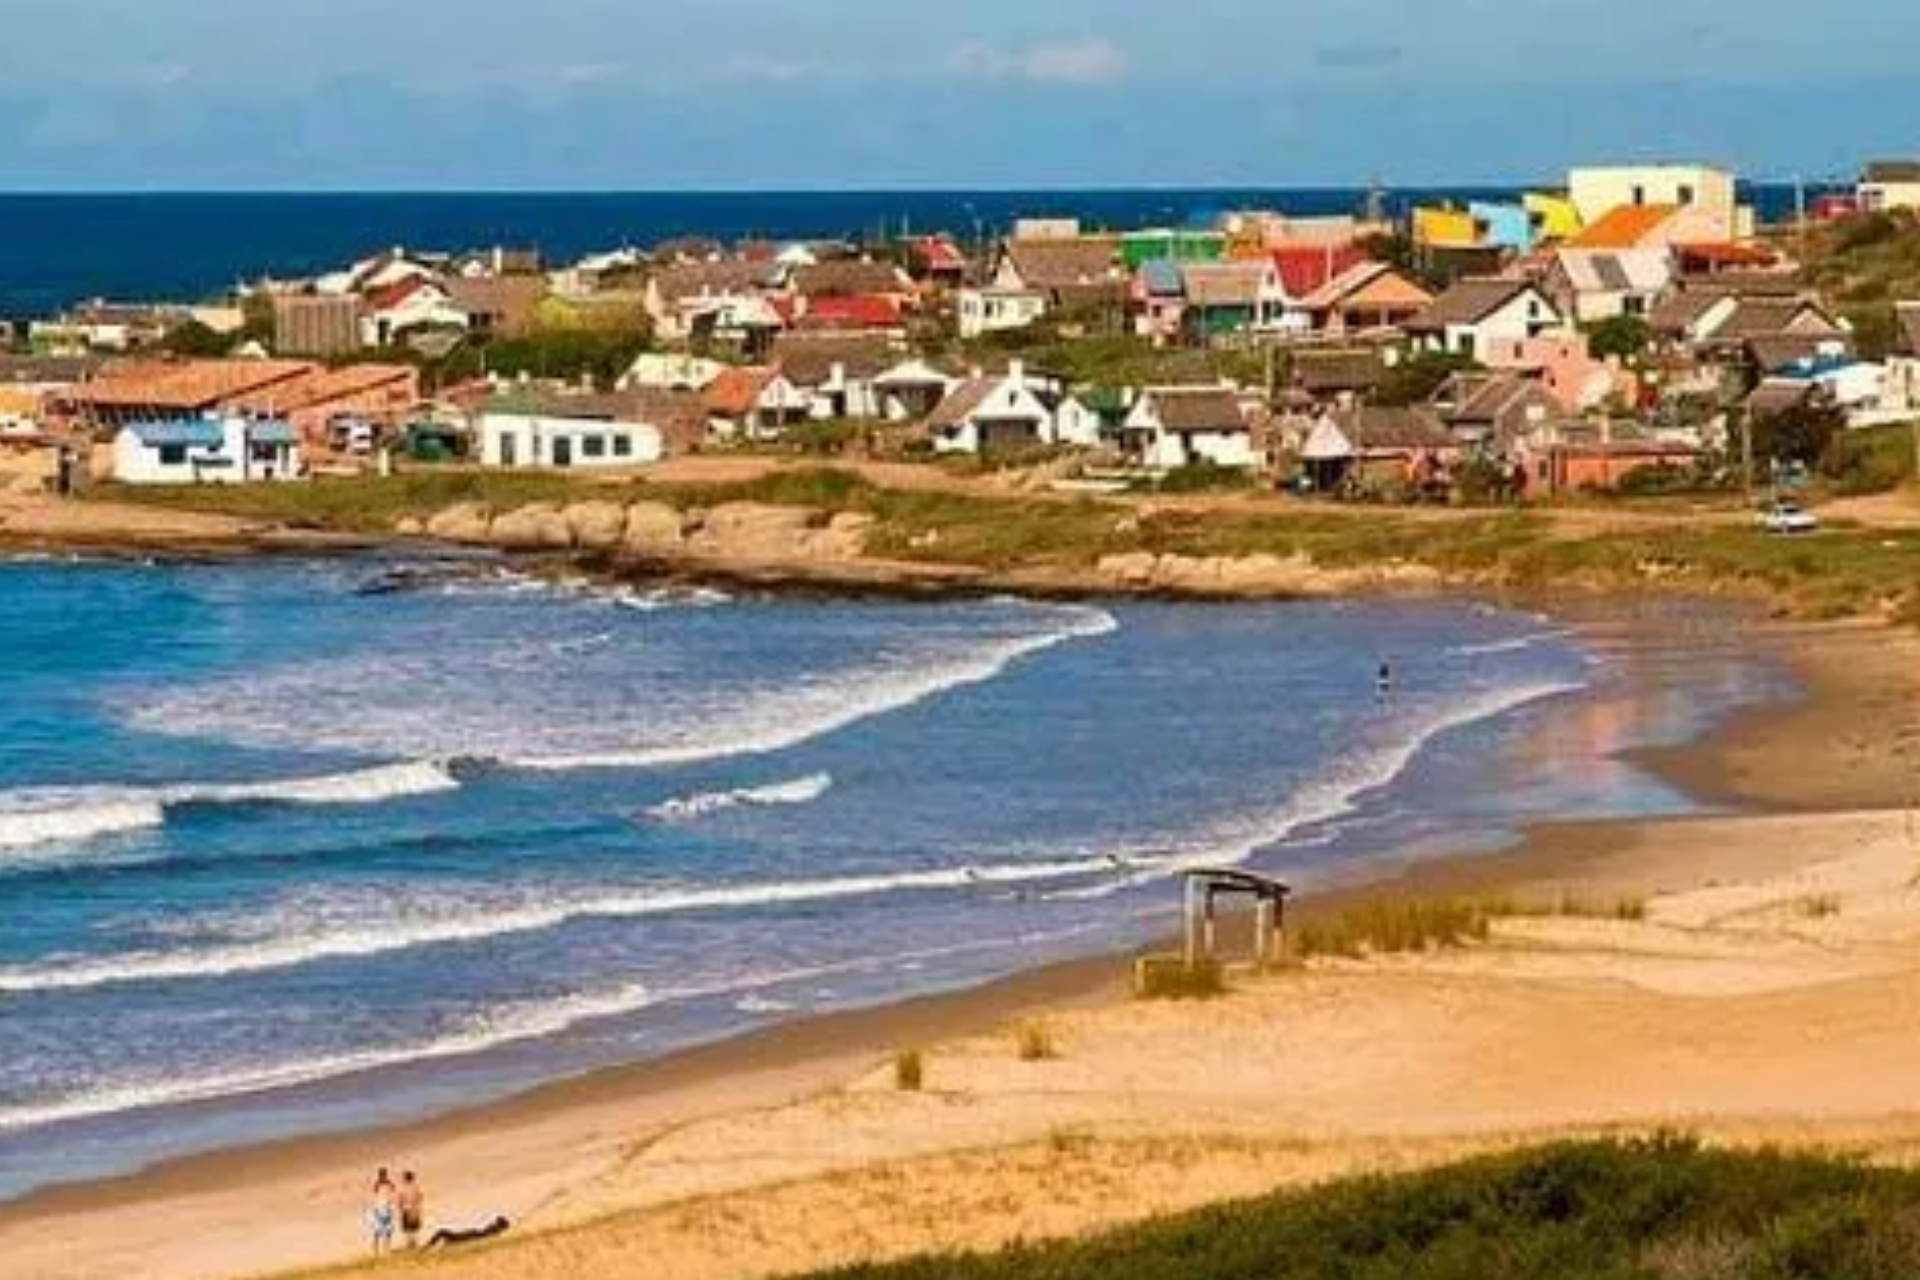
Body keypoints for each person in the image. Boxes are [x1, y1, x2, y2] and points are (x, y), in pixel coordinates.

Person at [367, 1168, 398, 1257]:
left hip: (384, 1208)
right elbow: (377, 1196)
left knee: (384, 1231)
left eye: (383, 1174)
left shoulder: (385, 1184)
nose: (383, 1176)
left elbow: (390, 1194)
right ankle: (379, 1250)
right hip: (381, 1208)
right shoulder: (381, 1184)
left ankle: (383, 1249)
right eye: (383, 1174)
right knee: (379, 1231)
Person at [397, 1170, 426, 1250]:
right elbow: (420, 1198)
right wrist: (418, 1209)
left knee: (407, 1230)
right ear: (412, 1178)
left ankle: (409, 1245)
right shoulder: (416, 1188)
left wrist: (400, 1210)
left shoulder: (403, 1188)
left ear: (405, 1179)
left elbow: (400, 1201)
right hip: (414, 1210)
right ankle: (414, 1244)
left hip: (406, 1210)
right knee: (414, 1229)